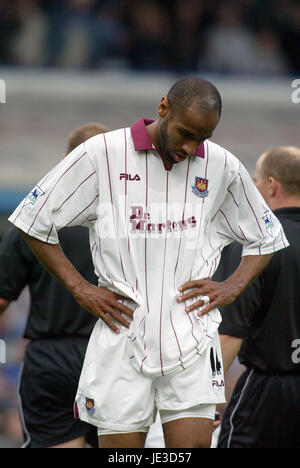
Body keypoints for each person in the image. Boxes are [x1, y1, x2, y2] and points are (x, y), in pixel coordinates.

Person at [8, 77, 288, 449]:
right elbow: (33, 218)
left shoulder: (222, 165)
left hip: (193, 336)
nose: (190, 148)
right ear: (163, 108)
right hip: (121, 336)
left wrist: (232, 285)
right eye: (185, 133)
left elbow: (267, 235)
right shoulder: (102, 153)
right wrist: (80, 289)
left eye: (201, 139)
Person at [0, 122, 108, 448]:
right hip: (114, 358)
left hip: (52, 359)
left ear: (64, 161)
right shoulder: (135, 220)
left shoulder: (32, 218)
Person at [214, 146, 300, 448]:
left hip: (266, 391)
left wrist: (206, 396)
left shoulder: (257, 246)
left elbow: (229, 333)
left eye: (256, 181)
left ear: (271, 186)